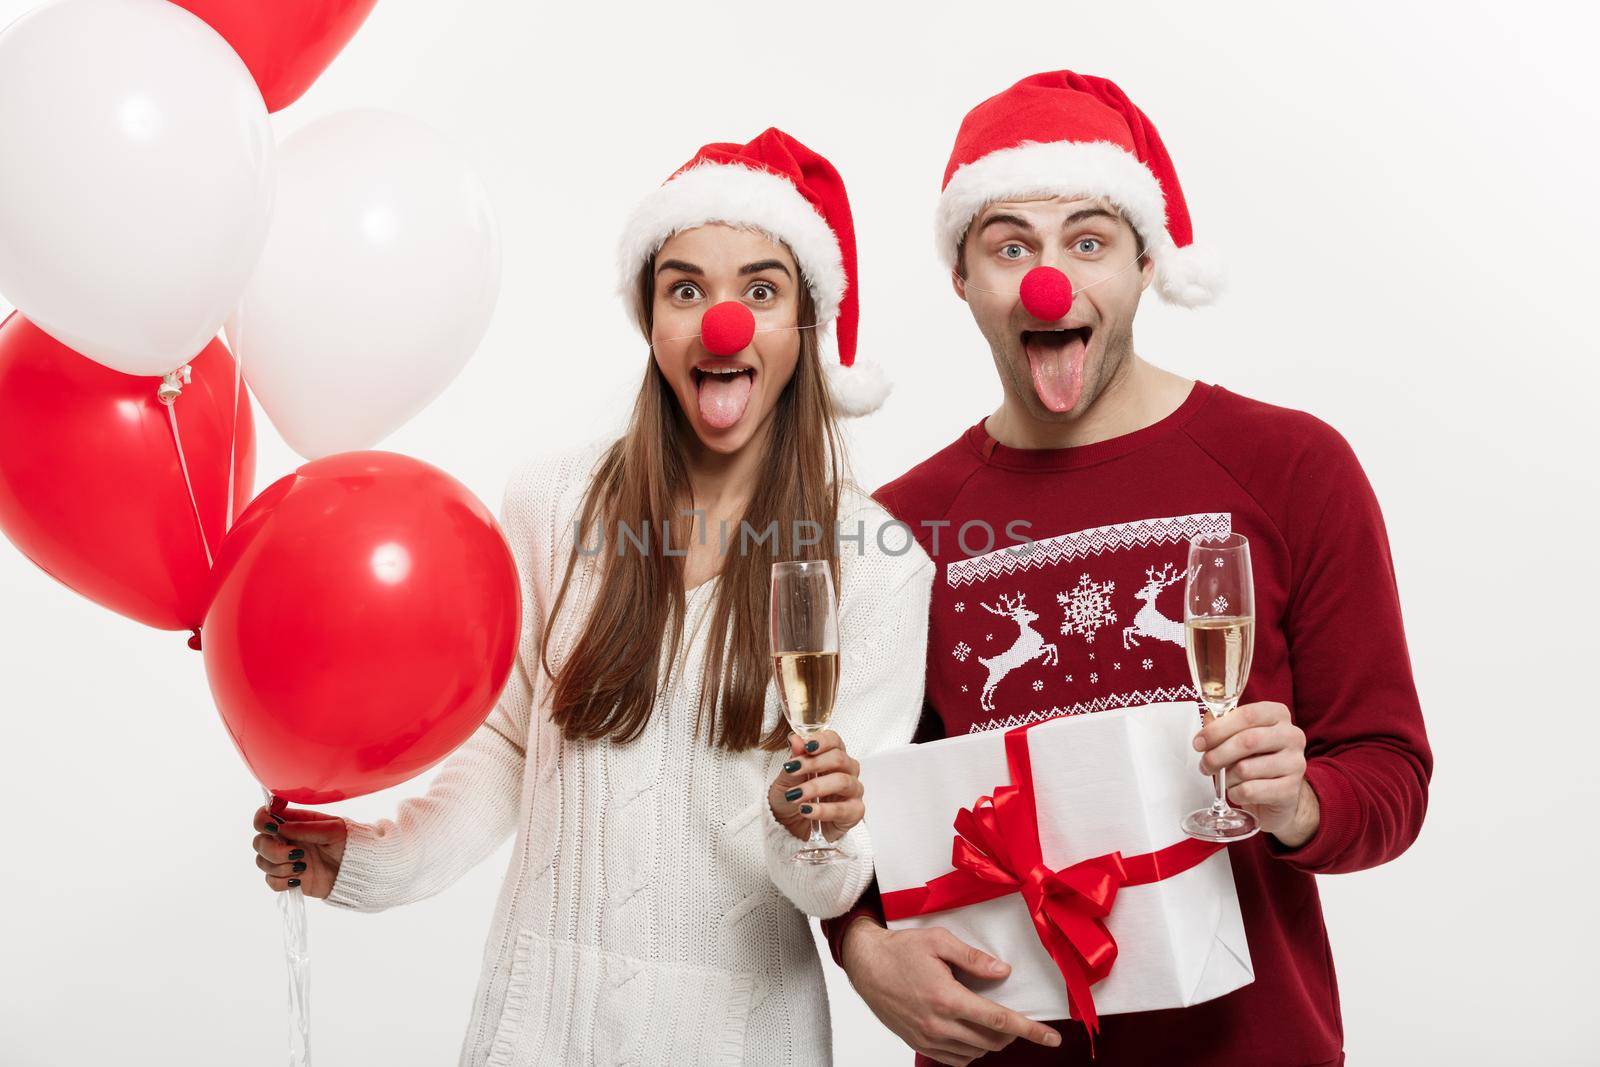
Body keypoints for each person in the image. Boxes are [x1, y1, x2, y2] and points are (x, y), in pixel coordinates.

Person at [249, 127, 934, 1066]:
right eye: (685, 288)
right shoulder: (551, 503)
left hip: (745, 1041)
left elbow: (831, 885)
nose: (720, 322)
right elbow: (501, 751)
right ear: (650, 319)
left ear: (806, 326)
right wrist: (371, 859)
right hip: (542, 1028)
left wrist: (815, 826)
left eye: (761, 291)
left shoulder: (881, 565)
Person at [820, 70, 1434, 1066]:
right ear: (961, 278)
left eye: (1089, 241)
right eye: (1009, 244)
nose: (1048, 280)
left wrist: (1299, 799)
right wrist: (859, 947)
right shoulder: (898, 525)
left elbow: (1390, 770)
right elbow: (850, 809)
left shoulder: (1291, 466)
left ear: (1145, 263)